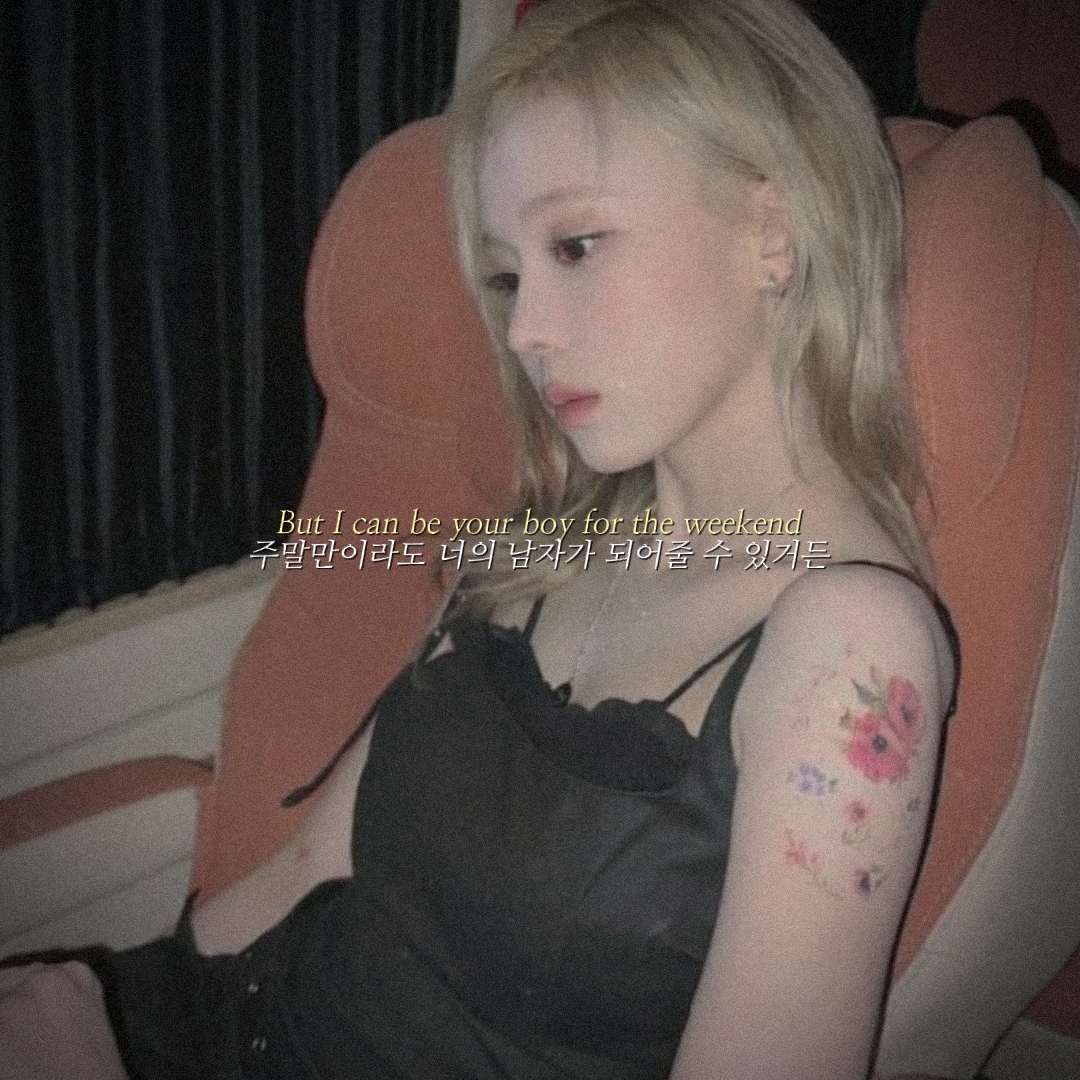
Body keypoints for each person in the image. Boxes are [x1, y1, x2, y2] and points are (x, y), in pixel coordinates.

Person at [0, 1, 958, 1077]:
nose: (524, 330)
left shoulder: (850, 646)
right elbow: (316, 859)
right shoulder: (540, 549)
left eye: (576, 245)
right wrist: (110, 1010)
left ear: (772, 232)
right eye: (508, 275)